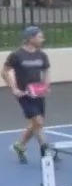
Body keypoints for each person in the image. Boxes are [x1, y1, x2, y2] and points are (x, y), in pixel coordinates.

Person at [3, 26, 54, 163]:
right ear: (30, 38)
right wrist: (14, 88)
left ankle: (19, 146)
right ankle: (46, 148)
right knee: (38, 121)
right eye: (39, 37)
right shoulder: (16, 55)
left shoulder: (42, 55)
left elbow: (46, 69)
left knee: (36, 122)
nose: (42, 39)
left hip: (38, 93)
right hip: (24, 94)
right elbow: (4, 71)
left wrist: (46, 85)